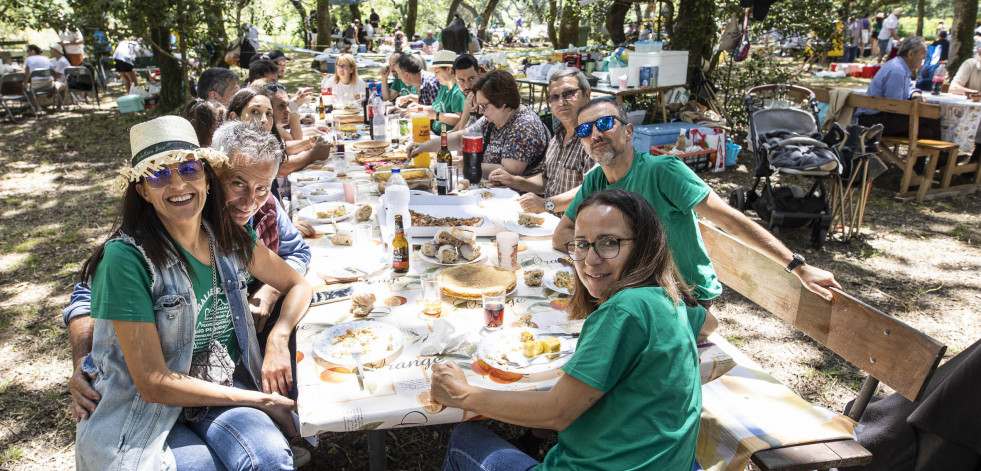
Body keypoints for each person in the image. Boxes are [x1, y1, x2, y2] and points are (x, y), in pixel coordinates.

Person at [71, 116, 311, 469]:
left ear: (206, 178)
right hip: (145, 410)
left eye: (188, 169)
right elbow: (153, 383)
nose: (178, 183)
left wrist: (279, 333)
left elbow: (298, 283)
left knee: (271, 459)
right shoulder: (125, 258)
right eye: (159, 175)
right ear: (142, 190)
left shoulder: (228, 236)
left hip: (218, 388)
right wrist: (259, 401)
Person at [432, 188, 703, 470]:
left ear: (644, 245)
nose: (590, 260)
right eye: (582, 244)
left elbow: (557, 412)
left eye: (609, 243)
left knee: (466, 435)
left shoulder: (624, 311)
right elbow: (709, 323)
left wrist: (462, 394)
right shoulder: (669, 299)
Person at [552, 99, 841, 330]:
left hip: (683, 298)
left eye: (604, 123)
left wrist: (798, 266)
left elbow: (729, 219)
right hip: (626, 289)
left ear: (628, 132)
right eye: (584, 130)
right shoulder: (595, 181)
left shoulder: (663, 171)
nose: (595, 134)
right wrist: (594, 260)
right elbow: (561, 234)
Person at [488, 68, 593, 217]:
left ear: (587, 94)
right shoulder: (558, 136)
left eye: (569, 93)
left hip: (577, 230)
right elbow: (546, 181)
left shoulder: (595, 137)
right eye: (554, 97)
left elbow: (592, 189)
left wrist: (546, 204)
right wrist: (513, 180)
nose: (561, 102)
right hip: (551, 222)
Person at [409, 69, 549, 178]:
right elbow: (461, 138)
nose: (480, 112)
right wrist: (423, 146)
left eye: (483, 106)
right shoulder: (496, 115)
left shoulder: (523, 126)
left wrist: (469, 165)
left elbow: (509, 172)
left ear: (502, 104)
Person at [856, 37, 940, 140]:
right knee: (931, 113)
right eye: (923, 53)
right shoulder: (897, 71)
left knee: (926, 133)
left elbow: (909, 86)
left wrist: (915, 94)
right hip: (875, 122)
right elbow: (895, 106)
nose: (925, 58)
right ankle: (945, 155)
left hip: (883, 117)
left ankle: (941, 155)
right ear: (911, 54)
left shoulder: (901, 67)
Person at [406, 50, 465, 135]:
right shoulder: (444, 87)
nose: (435, 75)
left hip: (445, 136)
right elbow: (436, 107)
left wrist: (435, 116)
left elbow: (460, 119)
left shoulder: (457, 92)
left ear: (449, 69)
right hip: (434, 132)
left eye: (437, 72)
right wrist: (419, 108)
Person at [449, 54, 486, 132]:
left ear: (479, 73)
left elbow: (461, 139)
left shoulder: (486, 99)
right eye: (461, 80)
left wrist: (466, 113)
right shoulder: (470, 100)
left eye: (471, 78)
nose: (467, 86)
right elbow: (452, 133)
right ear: (455, 79)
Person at [23, 44, 65, 110]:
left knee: (28, 86)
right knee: (63, 86)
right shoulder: (46, 58)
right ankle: (59, 107)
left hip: (35, 86)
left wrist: (25, 83)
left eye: (28, 51)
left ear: (32, 51)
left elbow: (27, 74)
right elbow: (52, 71)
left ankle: (34, 108)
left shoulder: (28, 59)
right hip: (49, 85)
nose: (27, 53)